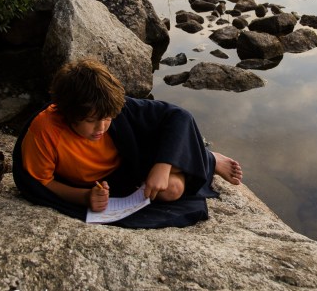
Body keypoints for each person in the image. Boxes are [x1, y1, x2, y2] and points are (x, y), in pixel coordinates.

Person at [12, 58, 242, 228]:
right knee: (173, 191)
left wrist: (162, 166)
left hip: (133, 160)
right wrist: (84, 197)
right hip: (103, 181)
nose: (101, 128)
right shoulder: (45, 131)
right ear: (68, 113)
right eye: (91, 121)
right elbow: (42, 183)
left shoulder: (110, 108)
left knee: (169, 186)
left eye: (107, 119)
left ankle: (209, 158)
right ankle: (206, 158)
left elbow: (179, 116)